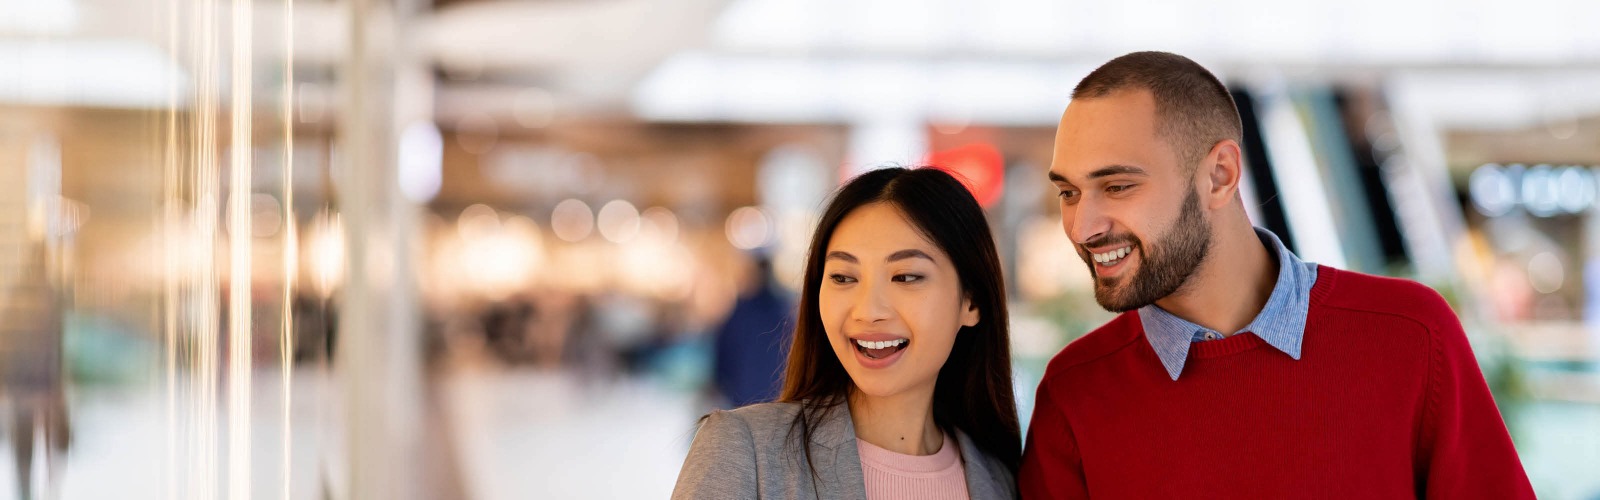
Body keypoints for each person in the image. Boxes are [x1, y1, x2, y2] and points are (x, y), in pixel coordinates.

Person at [1018, 51, 1535, 499]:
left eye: (1117, 186)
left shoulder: (1410, 335)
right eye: (1069, 192)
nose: (1082, 227)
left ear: (1219, 175)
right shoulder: (1075, 394)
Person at [673, 167, 1020, 499]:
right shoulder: (744, 451)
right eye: (843, 277)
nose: (868, 311)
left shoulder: (999, 481)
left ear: (971, 302)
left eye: (906, 277)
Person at [710, 253, 796, 407]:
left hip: (743, 396)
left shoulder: (740, 314)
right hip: (776, 397)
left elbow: (723, 355)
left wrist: (722, 383)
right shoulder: (784, 313)